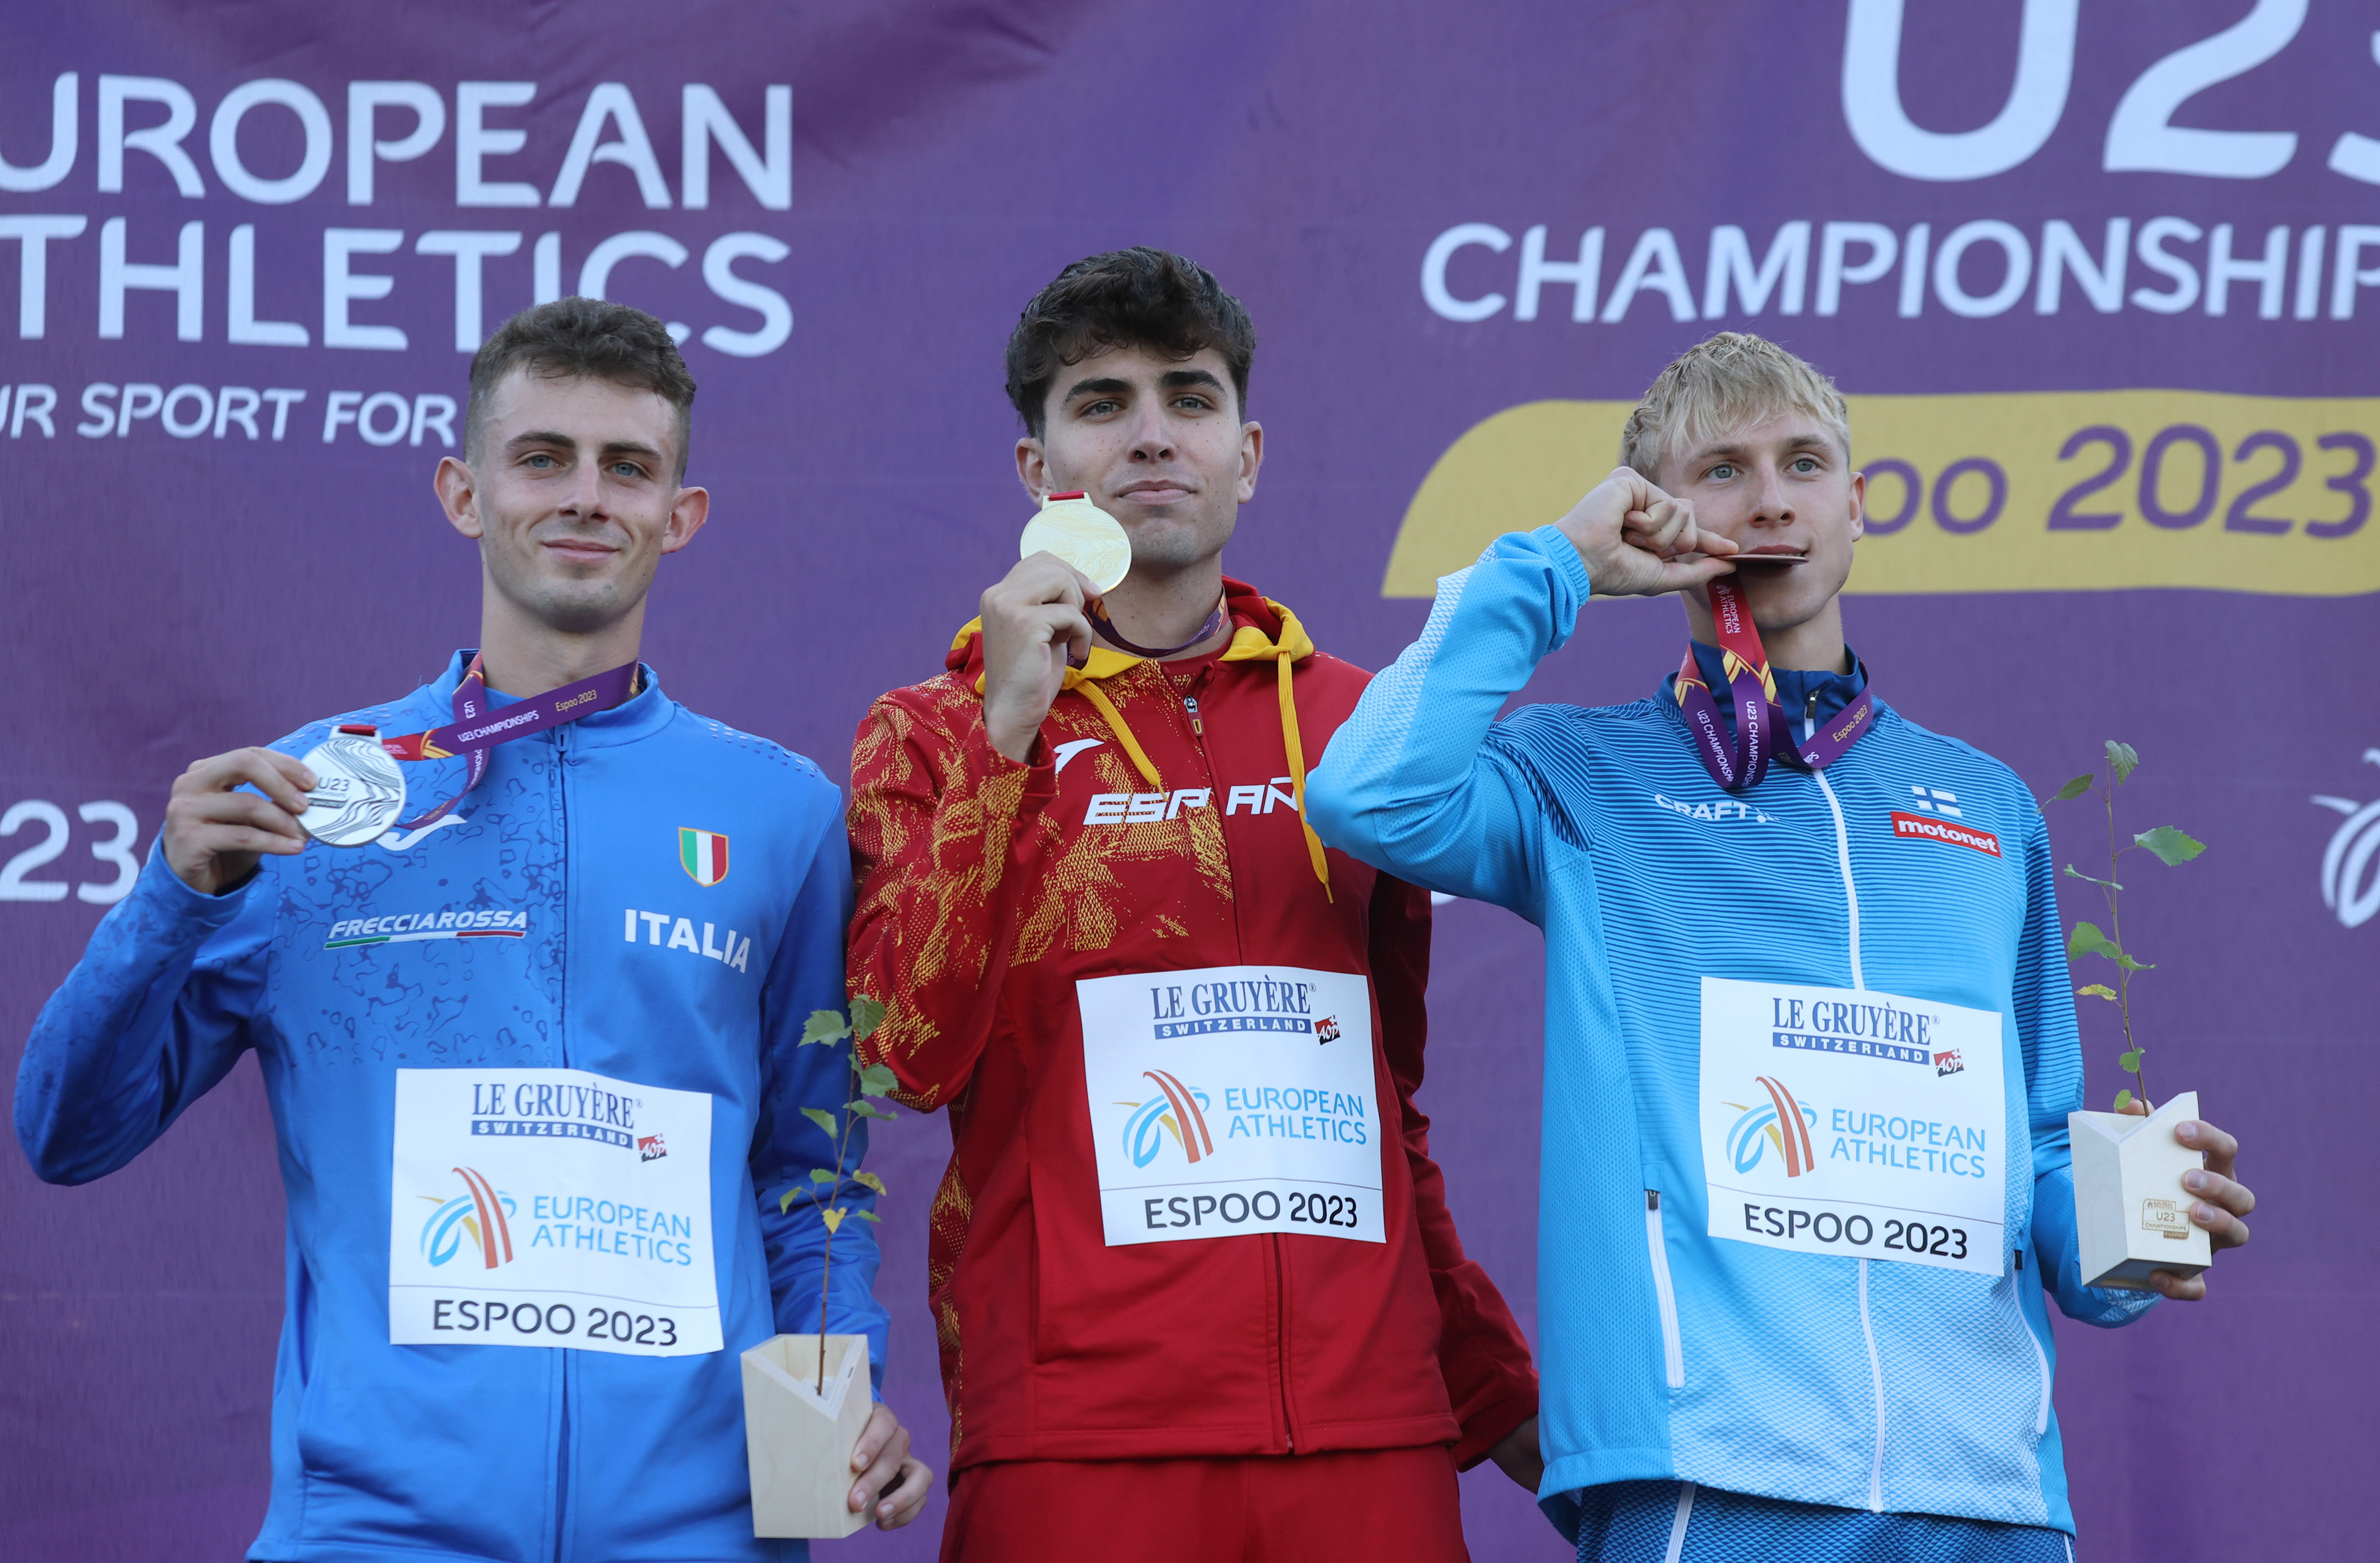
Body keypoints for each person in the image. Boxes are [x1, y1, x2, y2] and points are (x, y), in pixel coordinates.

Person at [1306, 333, 2257, 1560]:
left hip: (1984, 1492)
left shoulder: (1985, 806)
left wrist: (2133, 1231)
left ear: (1855, 503)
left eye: (1803, 464)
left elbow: (2031, 1157)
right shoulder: (1579, 775)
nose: (1768, 502)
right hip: (1713, 1478)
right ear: (1652, 517)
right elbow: (1369, 795)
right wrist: (1556, 566)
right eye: (1721, 472)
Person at [16, 299, 929, 1561]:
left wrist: (824, 1438)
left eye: (627, 467)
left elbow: (807, 1171)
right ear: (462, 492)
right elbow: (66, 1133)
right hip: (374, 1534)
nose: (585, 497)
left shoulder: (780, 814)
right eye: (541, 458)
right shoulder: (312, 799)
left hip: (698, 1537)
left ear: (681, 514)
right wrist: (174, 899)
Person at [845, 248, 1539, 1562]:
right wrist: (1006, 732)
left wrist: (1494, 1395)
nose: (1152, 434)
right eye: (1100, 403)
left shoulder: (1361, 728)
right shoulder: (933, 731)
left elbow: (1384, 1105)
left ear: (1248, 454)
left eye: (1189, 396)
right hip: (1074, 1440)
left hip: (1367, 1431)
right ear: (1036, 469)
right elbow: (899, 1057)